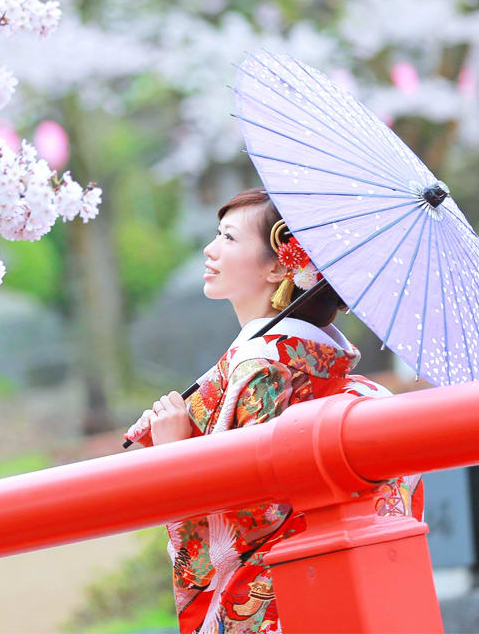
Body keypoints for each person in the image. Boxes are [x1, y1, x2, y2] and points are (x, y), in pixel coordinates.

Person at [125, 188, 424, 634]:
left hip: (279, 594)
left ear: (280, 264)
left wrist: (174, 451)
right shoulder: (319, 363)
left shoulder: (262, 366)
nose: (210, 249)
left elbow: (255, 513)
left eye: (228, 237)